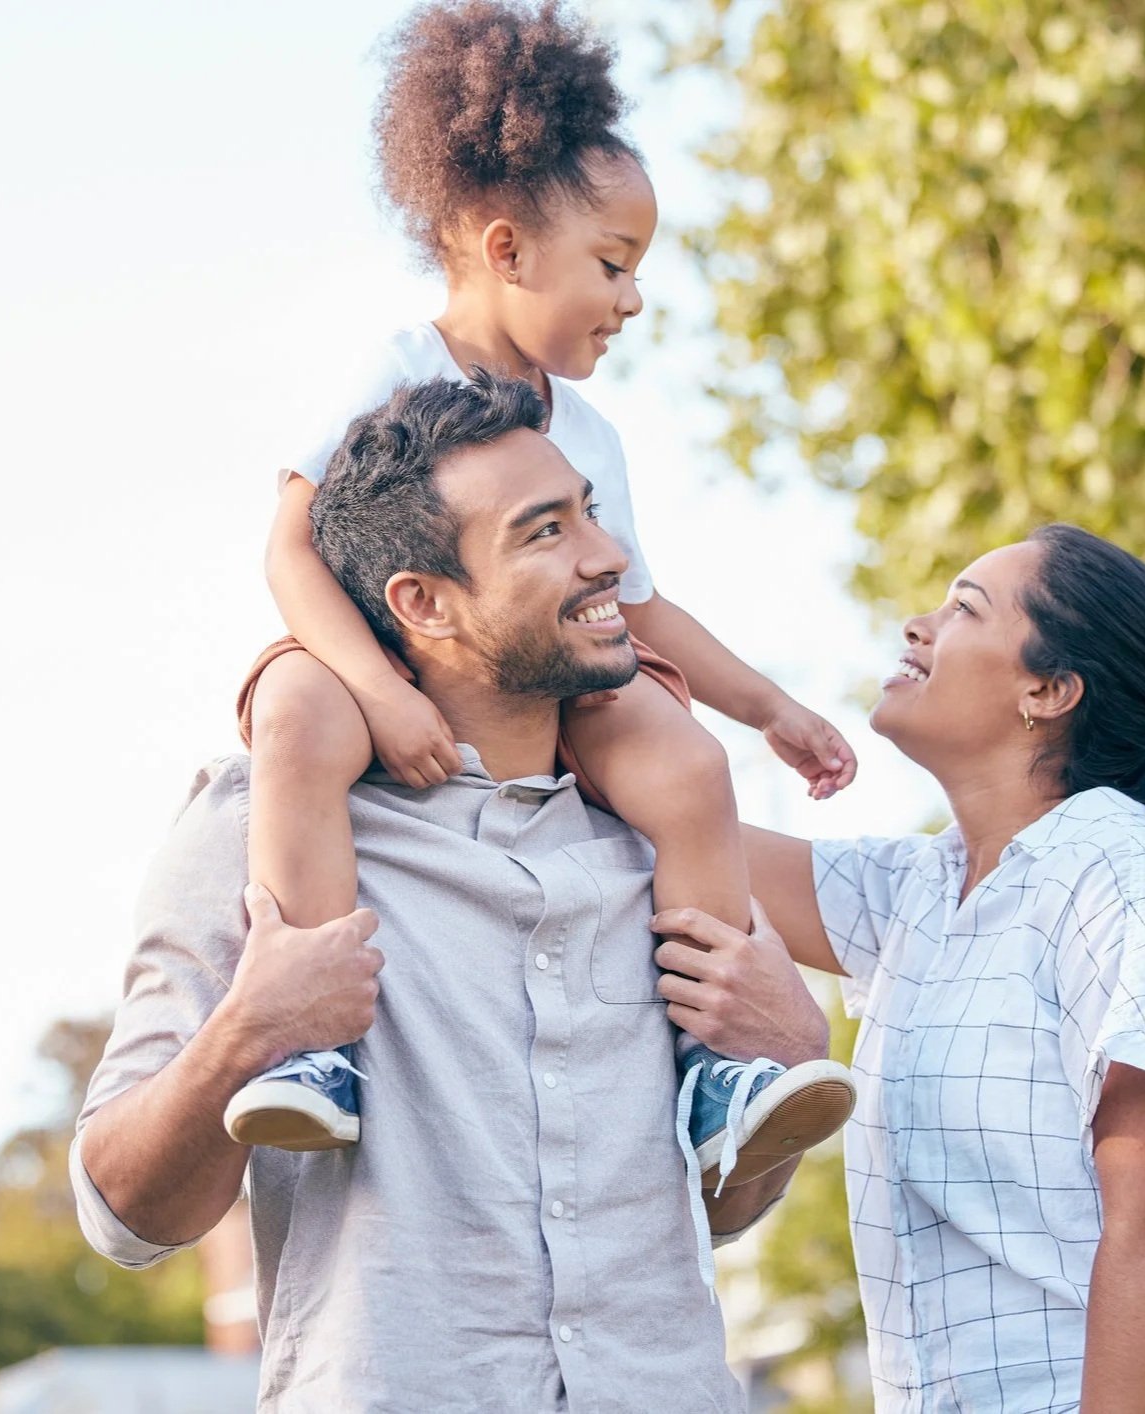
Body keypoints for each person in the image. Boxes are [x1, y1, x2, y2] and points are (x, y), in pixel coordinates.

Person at [71, 372, 832, 1409]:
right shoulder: (263, 829)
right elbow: (123, 1213)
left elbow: (725, 1202)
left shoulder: (662, 830)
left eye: (591, 515)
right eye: (544, 532)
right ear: (422, 603)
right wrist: (248, 1036)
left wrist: (782, 1049)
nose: (607, 557)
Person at [225, 0, 857, 1194]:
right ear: (505, 249)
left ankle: (716, 1066)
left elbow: (646, 607)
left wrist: (767, 707)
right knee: (298, 720)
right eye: (611, 266)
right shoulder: (396, 372)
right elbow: (291, 554)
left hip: (543, 676)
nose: (629, 300)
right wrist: (376, 690)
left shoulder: (592, 434)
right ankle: (313, 1048)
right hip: (387, 654)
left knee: (685, 767)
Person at [662, 525, 1145, 1412]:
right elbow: (667, 812)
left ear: (1048, 690)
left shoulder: (1128, 886)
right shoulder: (918, 890)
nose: (916, 626)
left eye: (961, 608)